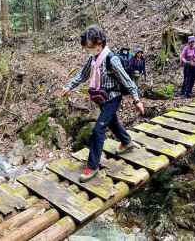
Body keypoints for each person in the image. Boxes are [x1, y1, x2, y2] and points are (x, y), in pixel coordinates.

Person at [61, 25, 144, 182]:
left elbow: (127, 80)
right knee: (112, 123)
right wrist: (68, 87)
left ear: (99, 43)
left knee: (98, 130)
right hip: (101, 98)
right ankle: (126, 142)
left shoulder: (111, 59)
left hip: (112, 98)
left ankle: (92, 167)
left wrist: (137, 100)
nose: (88, 50)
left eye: (90, 47)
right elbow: (82, 75)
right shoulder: (93, 59)